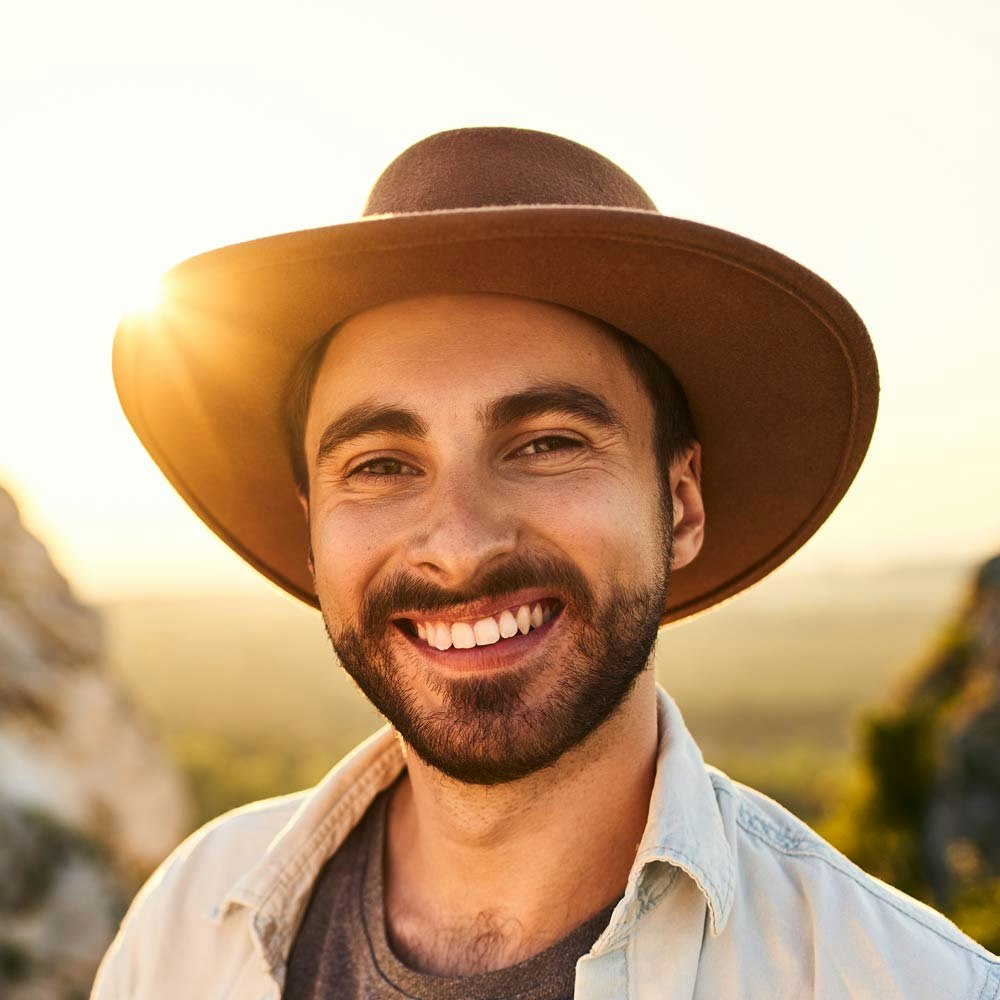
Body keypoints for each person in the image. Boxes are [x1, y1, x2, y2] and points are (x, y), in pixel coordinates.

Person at [92, 127, 999, 999]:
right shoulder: (187, 926)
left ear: (678, 505)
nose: (459, 543)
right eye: (379, 465)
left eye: (547, 444)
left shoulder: (900, 982)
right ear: (314, 535)